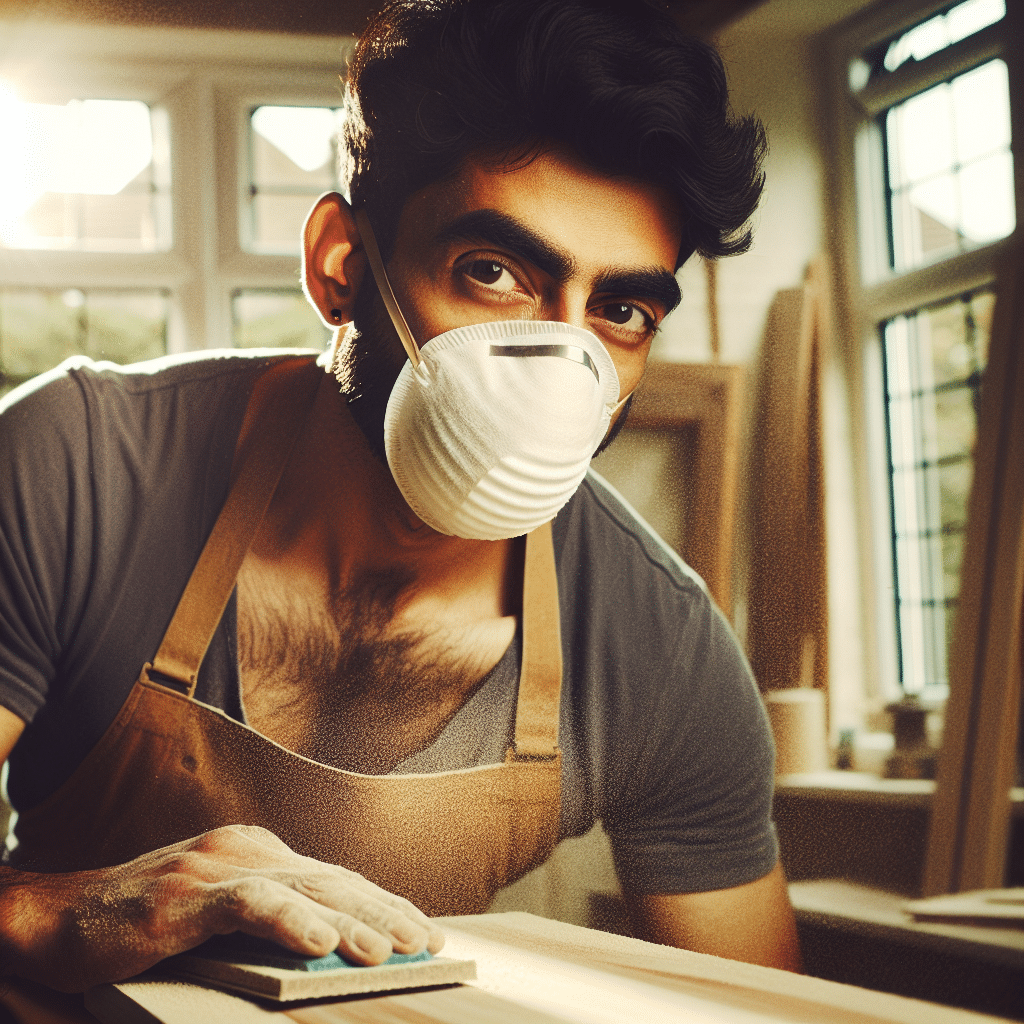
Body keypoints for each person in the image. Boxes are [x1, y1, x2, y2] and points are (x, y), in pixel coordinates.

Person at [0, 0, 800, 993]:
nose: (560, 364)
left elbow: (757, 1007)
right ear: (339, 265)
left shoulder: (658, 647)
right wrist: (70, 907)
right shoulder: (76, 471)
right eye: (493, 272)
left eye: (621, 309)